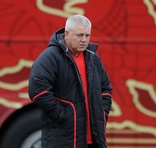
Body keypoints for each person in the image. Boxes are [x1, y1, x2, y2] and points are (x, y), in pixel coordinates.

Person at [28, 14, 113, 148]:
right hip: (63, 139)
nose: (84, 40)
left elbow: (106, 89)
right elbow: (37, 90)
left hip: (94, 139)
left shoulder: (93, 59)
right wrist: (63, 115)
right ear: (67, 34)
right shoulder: (50, 56)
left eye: (87, 35)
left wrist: (102, 112)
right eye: (79, 35)